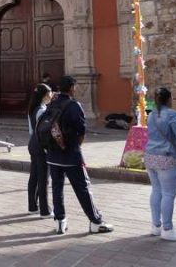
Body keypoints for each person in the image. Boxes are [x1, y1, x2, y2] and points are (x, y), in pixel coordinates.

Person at [45, 75, 113, 235]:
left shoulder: (52, 103)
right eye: (74, 86)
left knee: (57, 189)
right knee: (83, 188)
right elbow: (81, 131)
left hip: (53, 154)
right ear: (71, 88)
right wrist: (75, 146)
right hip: (70, 155)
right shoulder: (74, 106)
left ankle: (60, 221)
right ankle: (95, 221)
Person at [145, 87, 176, 242]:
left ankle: (156, 226)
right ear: (169, 99)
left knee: (156, 190)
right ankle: (168, 229)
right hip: (167, 157)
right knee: (169, 194)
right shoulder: (172, 115)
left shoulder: (151, 115)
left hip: (150, 156)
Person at [27, 83, 53, 218]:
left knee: (34, 176)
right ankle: (44, 210)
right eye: (50, 93)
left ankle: (32, 206)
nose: (52, 95)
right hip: (41, 145)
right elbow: (45, 131)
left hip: (32, 143)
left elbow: (31, 130)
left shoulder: (33, 109)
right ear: (44, 96)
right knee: (43, 179)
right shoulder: (42, 111)